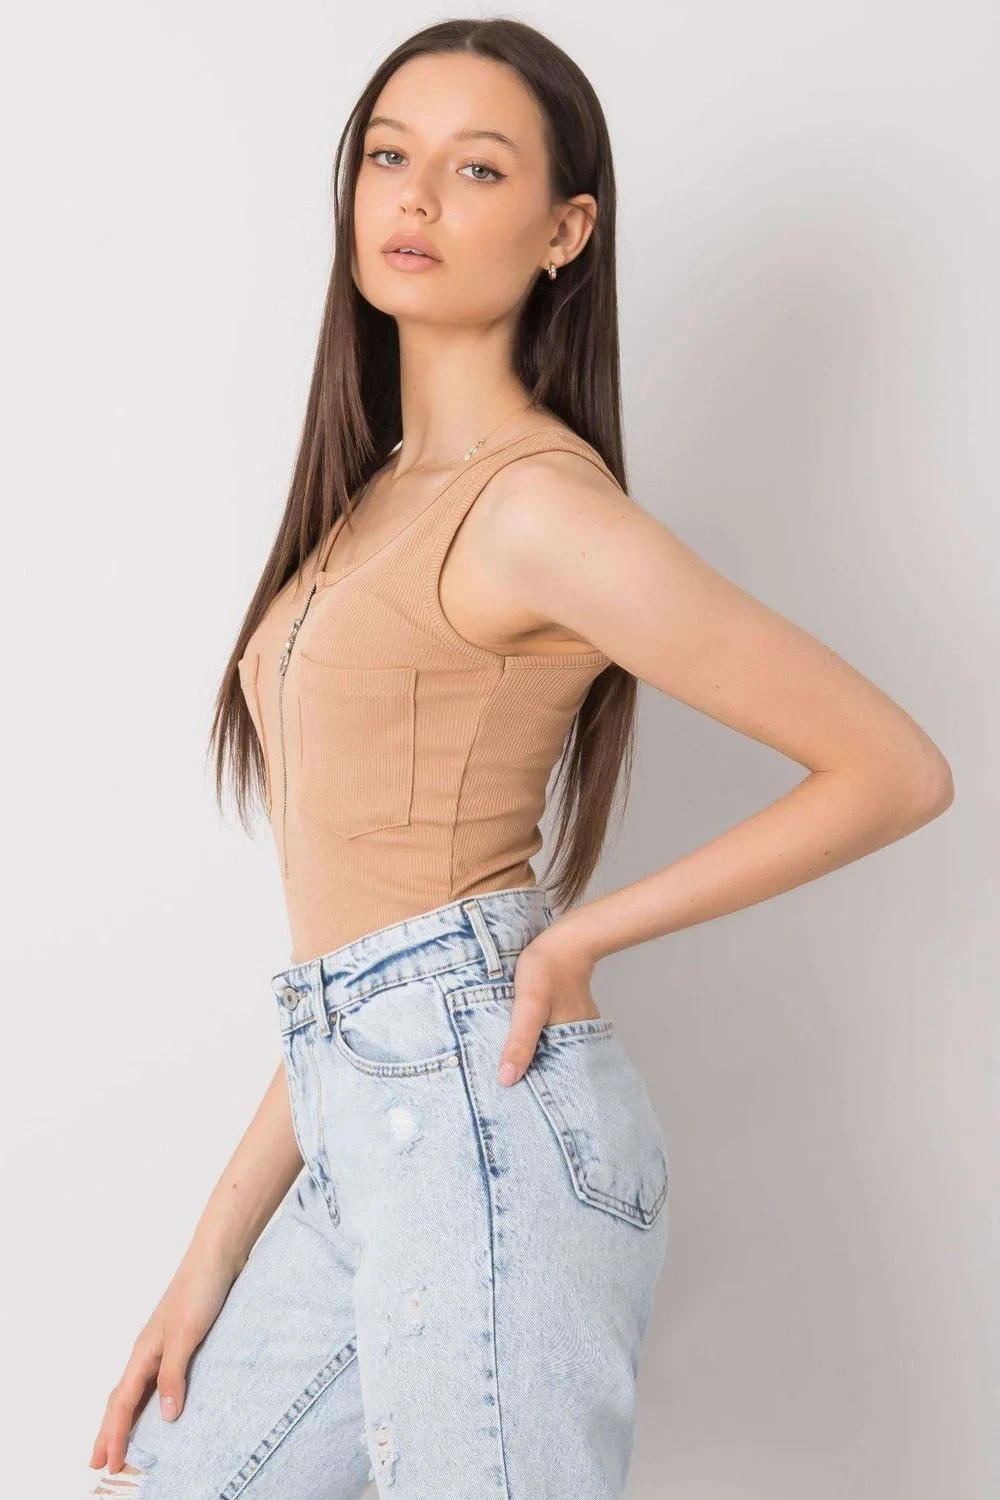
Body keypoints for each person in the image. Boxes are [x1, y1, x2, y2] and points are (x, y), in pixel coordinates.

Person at [86, 17, 954, 1500]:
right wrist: (206, 1263)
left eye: (478, 168)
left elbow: (891, 767)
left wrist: (574, 936)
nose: (417, 196)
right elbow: (363, 972)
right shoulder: (371, 498)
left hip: (482, 1129)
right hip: (371, 1115)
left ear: (566, 231)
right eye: (388, 155)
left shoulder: (540, 510)